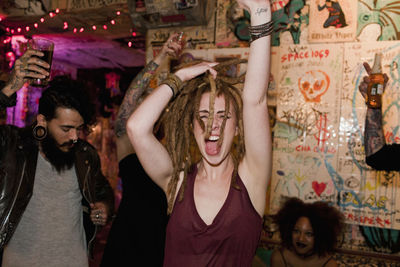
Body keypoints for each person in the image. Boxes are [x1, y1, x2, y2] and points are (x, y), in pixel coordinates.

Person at [127, 0, 273, 265]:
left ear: (238, 127)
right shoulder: (178, 182)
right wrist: (179, 78)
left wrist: (261, 10)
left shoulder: (252, 179)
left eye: (223, 116)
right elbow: (136, 128)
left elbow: (255, 100)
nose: (211, 125)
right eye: (203, 116)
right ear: (192, 126)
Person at [0, 48, 114, 267]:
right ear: (42, 121)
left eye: (79, 128)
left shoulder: (85, 154)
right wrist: (9, 88)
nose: (74, 137)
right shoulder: (14, 146)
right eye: (66, 128)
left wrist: (104, 207)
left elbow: (102, 189)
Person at [100, 33, 183, 267]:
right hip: (126, 235)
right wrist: (160, 58)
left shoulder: (174, 147)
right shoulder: (127, 141)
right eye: (145, 102)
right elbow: (130, 97)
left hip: (158, 238)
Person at [270, 197, 344, 267]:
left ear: (320, 237)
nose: (301, 239)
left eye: (309, 234)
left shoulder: (329, 264)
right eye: (296, 231)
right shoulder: (279, 258)